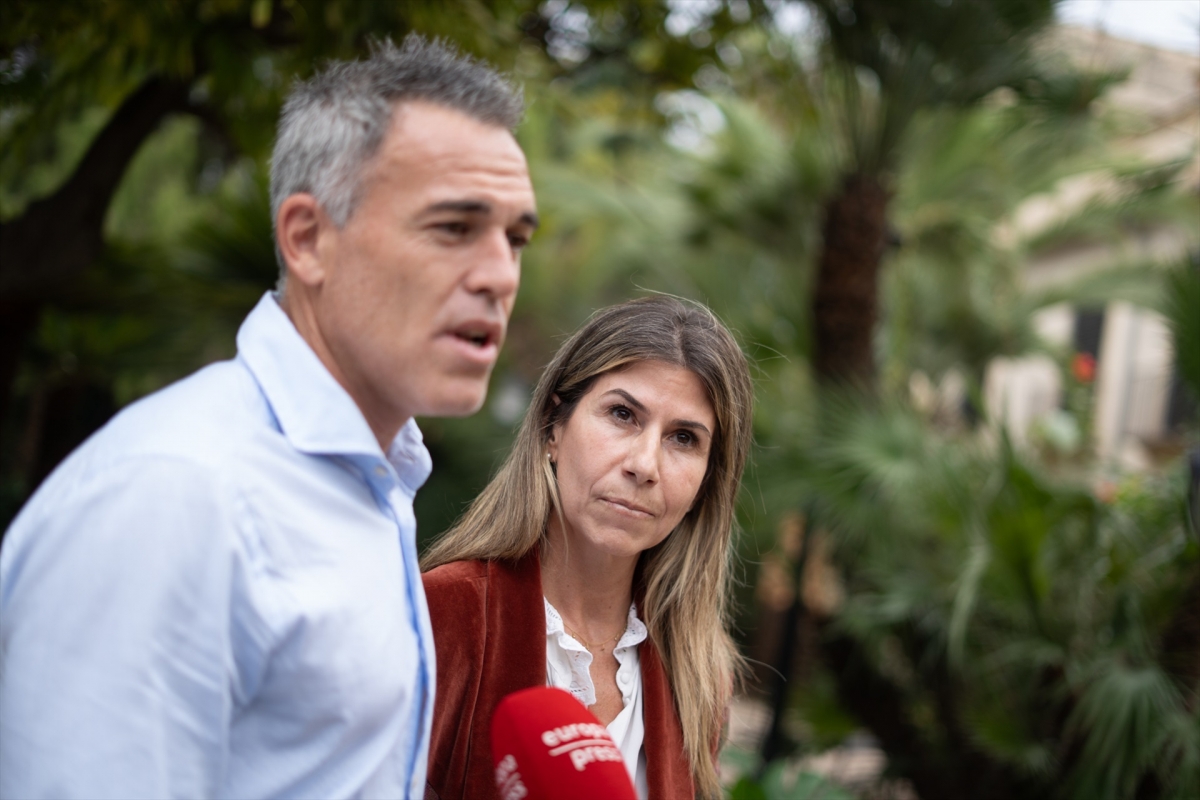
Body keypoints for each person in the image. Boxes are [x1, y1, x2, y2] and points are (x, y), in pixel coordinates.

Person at [0, 35, 537, 798]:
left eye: (516, 238)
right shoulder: (177, 493)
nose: (498, 275)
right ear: (308, 239)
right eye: (454, 228)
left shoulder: (376, 482)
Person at [421, 296, 753, 800]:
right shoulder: (439, 616)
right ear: (553, 427)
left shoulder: (699, 674)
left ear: (707, 482)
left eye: (683, 438)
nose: (645, 464)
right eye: (622, 414)